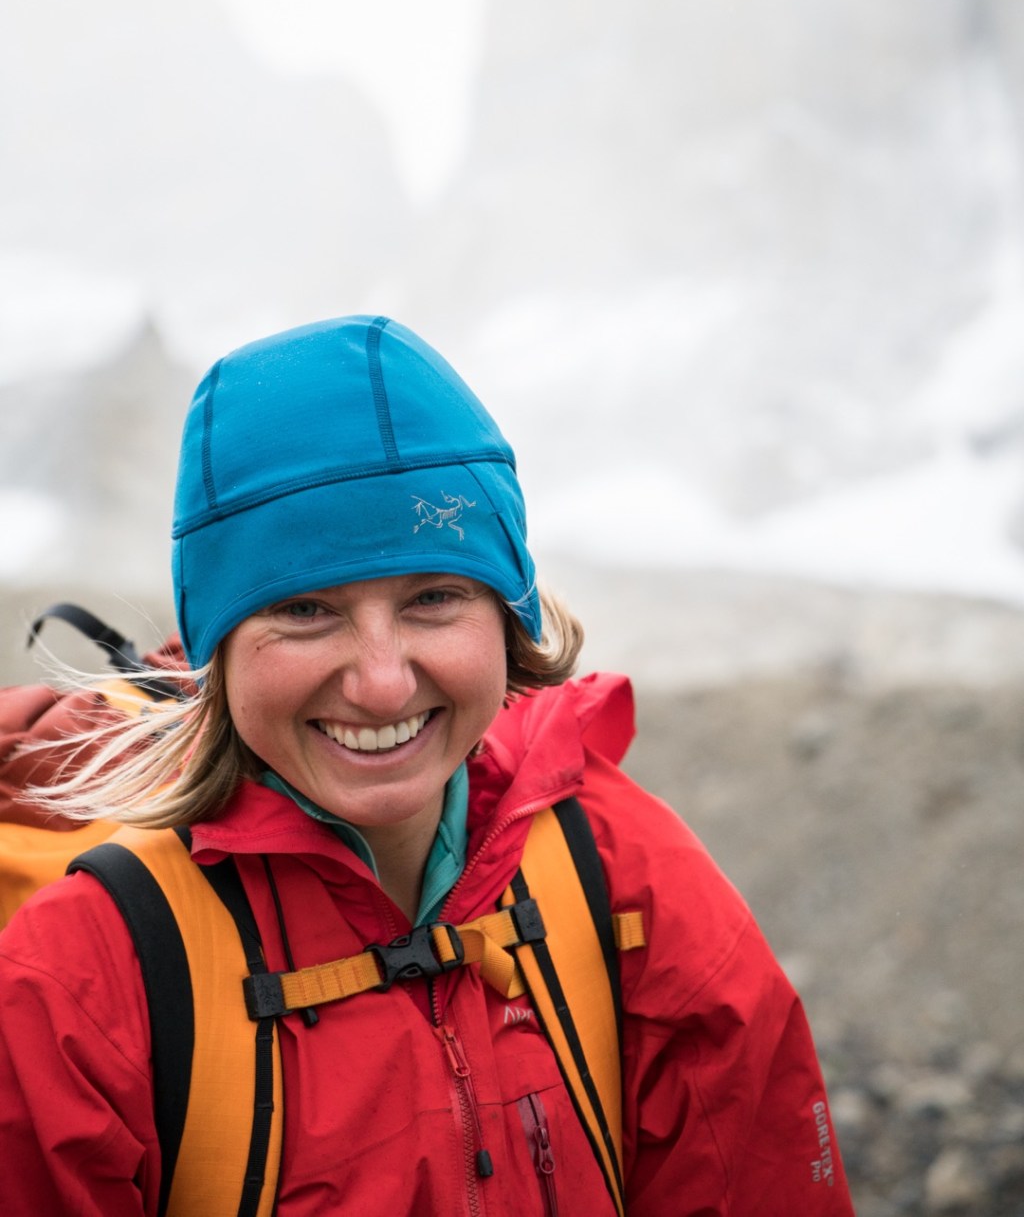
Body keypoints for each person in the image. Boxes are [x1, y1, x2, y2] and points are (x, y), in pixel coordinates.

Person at [0, 314, 854, 1215]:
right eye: (303, 609)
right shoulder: (83, 976)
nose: (380, 682)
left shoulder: (625, 879)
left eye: (434, 597)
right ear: (219, 646)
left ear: (508, 615)